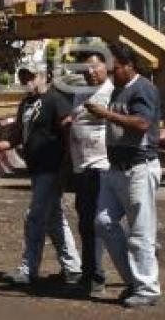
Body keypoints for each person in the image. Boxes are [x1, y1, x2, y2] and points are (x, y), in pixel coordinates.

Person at [0, 64, 82, 286]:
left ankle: (28, 269)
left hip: (51, 168)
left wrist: (65, 168)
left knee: (34, 217)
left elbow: (68, 134)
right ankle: (73, 268)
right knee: (53, 218)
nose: (27, 80)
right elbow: (20, 134)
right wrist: (2, 145)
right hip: (37, 168)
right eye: (23, 77)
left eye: (31, 76)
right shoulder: (26, 104)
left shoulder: (55, 100)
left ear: (42, 76)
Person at [85, 43, 161, 308]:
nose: (110, 73)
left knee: (141, 232)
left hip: (138, 167)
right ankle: (134, 281)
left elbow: (142, 124)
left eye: (114, 69)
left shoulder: (143, 89)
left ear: (130, 65)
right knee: (104, 222)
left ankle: (147, 288)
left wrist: (105, 113)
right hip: (116, 168)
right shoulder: (119, 88)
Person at [63, 52, 113, 297]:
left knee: (94, 222)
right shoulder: (80, 93)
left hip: (101, 167)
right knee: (85, 223)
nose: (90, 72)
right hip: (80, 167)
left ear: (107, 66)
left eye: (95, 67)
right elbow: (75, 118)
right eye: (86, 69)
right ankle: (88, 272)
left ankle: (96, 278)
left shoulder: (113, 92)